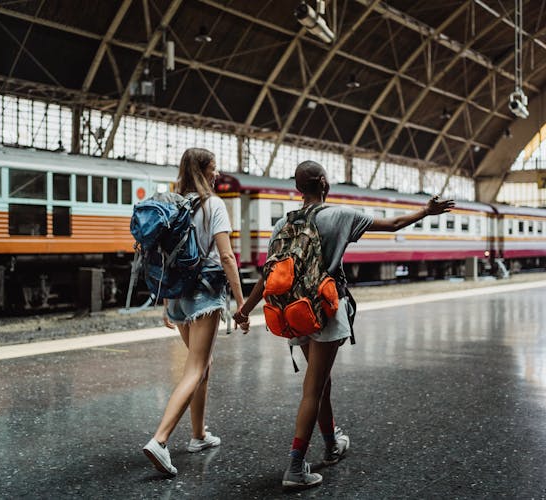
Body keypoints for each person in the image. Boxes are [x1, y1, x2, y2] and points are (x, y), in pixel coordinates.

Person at [233, 160, 455, 491]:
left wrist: (244, 310)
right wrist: (426, 210)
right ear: (323, 183)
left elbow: (270, 274)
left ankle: (332, 443)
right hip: (324, 308)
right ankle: (295, 467)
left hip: (294, 311)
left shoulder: (282, 224)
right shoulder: (340, 215)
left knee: (321, 383)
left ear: (298, 188)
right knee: (314, 387)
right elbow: (394, 224)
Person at [143, 148, 248, 476]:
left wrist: (165, 301)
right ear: (203, 172)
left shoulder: (173, 203)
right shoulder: (214, 205)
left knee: (203, 365)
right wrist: (242, 302)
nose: (217, 175)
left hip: (177, 295)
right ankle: (160, 441)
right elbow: (227, 256)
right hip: (204, 293)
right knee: (196, 367)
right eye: (214, 169)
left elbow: (163, 256)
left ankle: (199, 435)